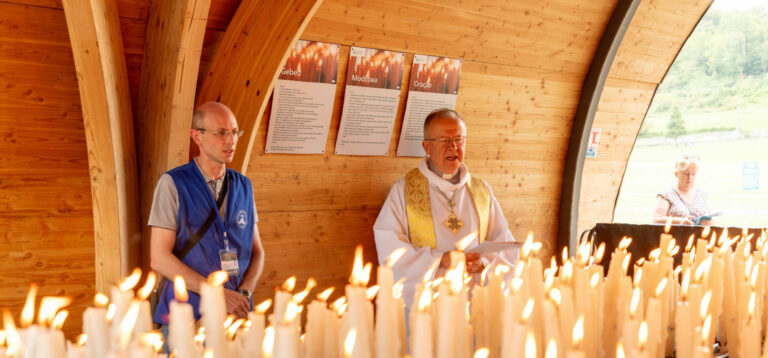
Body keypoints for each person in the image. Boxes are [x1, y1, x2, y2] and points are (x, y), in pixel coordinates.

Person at [374, 109, 517, 308]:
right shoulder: (404, 191)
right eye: (444, 141)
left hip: (474, 302)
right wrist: (440, 260)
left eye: (459, 140)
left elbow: (505, 246)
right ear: (426, 147)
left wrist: (483, 263)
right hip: (429, 304)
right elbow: (390, 250)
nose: (453, 147)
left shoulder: (481, 191)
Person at [150, 102, 265, 327]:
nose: (231, 140)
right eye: (221, 133)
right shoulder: (173, 184)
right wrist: (217, 294)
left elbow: (258, 252)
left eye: (234, 132)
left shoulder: (244, 185)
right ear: (197, 136)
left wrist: (243, 294)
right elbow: (159, 258)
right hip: (186, 317)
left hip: (235, 317)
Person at [653, 155, 714, 226]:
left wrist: (709, 222)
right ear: (676, 174)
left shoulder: (702, 194)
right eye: (686, 174)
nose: (690, 177)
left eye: (693, 174)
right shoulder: (667, 194)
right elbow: (657, 219)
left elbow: (713, 220)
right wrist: (680, 221)